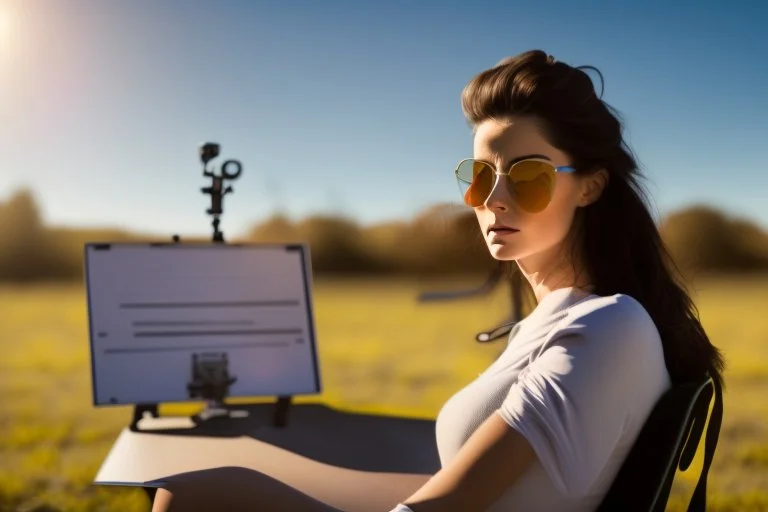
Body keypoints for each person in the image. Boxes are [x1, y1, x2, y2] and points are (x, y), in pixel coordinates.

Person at [151, 49, 725, 512]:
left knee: (194, 494)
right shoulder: (559, 320)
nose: (493, 200)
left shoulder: (606, 327)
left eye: (526, 177)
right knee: (207, 480)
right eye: (479, 177)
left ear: (590, 187)